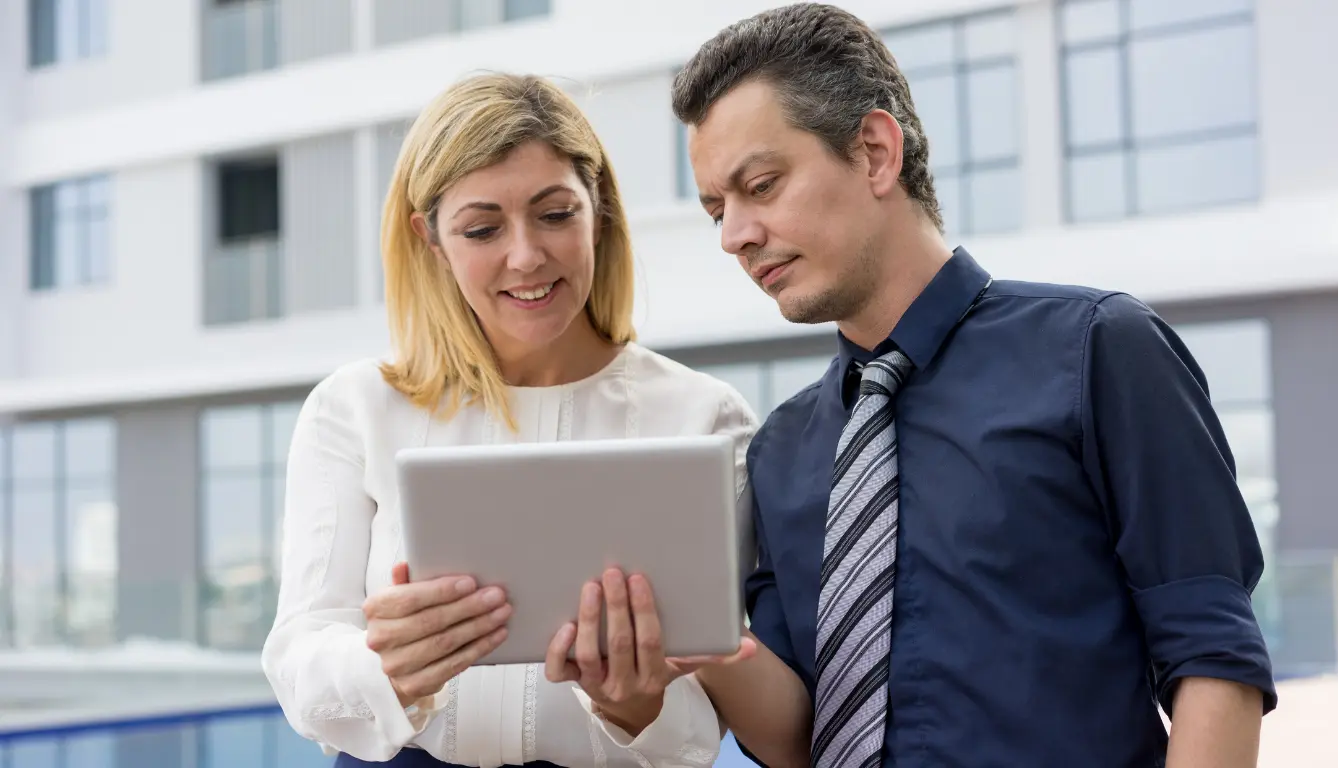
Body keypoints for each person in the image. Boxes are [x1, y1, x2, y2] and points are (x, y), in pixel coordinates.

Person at [669, 4, 1278, 767]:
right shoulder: (783, 450)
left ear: (874, 152)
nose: (735, 236)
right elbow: (800, 737)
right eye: (717, 209)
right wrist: (700, 642)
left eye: (760, 186)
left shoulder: (1098, 351)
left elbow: (1213, 659)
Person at [261, 72, 757, 767]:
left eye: (555, 214)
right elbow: (300, 658)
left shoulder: (701, 417)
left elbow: (706, 714)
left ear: (600, 209)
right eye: (482, 228)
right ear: (431, 239)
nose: (525, 256)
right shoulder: (355, 409)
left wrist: (634, 705)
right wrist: (390, 669)